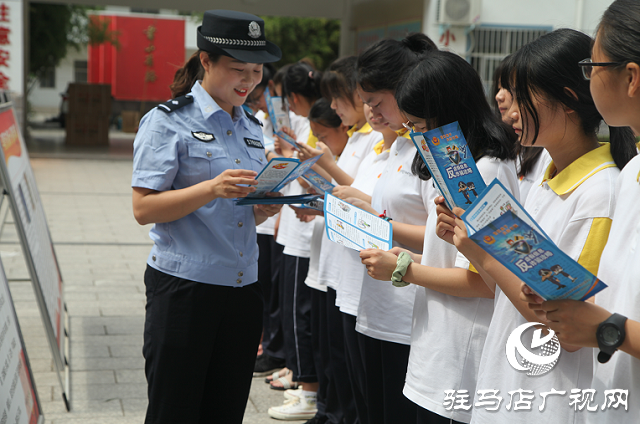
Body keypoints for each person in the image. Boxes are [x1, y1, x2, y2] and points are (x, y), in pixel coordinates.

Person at [437, 28, 636, 423]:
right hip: (514, 383)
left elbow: (567, 319)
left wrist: (484, 254)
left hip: (550, 398)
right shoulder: (548, 176)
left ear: (567, 99)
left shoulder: (601, 192)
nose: (509, 111)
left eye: (522, 96)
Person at [131, 10, 282, 424]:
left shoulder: (252, 126)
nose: (248, 81)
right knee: (174, 410)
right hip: (185, 290)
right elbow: (143, 208)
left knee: (225, 409)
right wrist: (211, 188)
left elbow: (237, 212)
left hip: (243, 289)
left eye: (256, 71)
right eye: (237, 69)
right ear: (206, 60)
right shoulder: (167, 122)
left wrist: (263, 208)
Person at [360, 49, 518, 424]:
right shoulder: (455, 165)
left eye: (418, 124)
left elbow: (485, 281)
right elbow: (448, 257)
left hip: (461, 351)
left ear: (449, 113)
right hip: (437, 344)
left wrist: (404, 270)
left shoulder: (488, 171)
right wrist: (409, 258)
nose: (414, 135)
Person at [521, 1, 640, 422]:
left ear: (631, 77)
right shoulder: (632, 173)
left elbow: (603, 322)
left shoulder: (606, 183)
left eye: (594, 66)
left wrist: (609, 329)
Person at [353, 33, 440, 424]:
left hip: (410, 310)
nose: (371, 110)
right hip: (379, 304)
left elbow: (446, 237)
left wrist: (382, 227)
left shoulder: (435, 150)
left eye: (377, 100)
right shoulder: (401, 145)